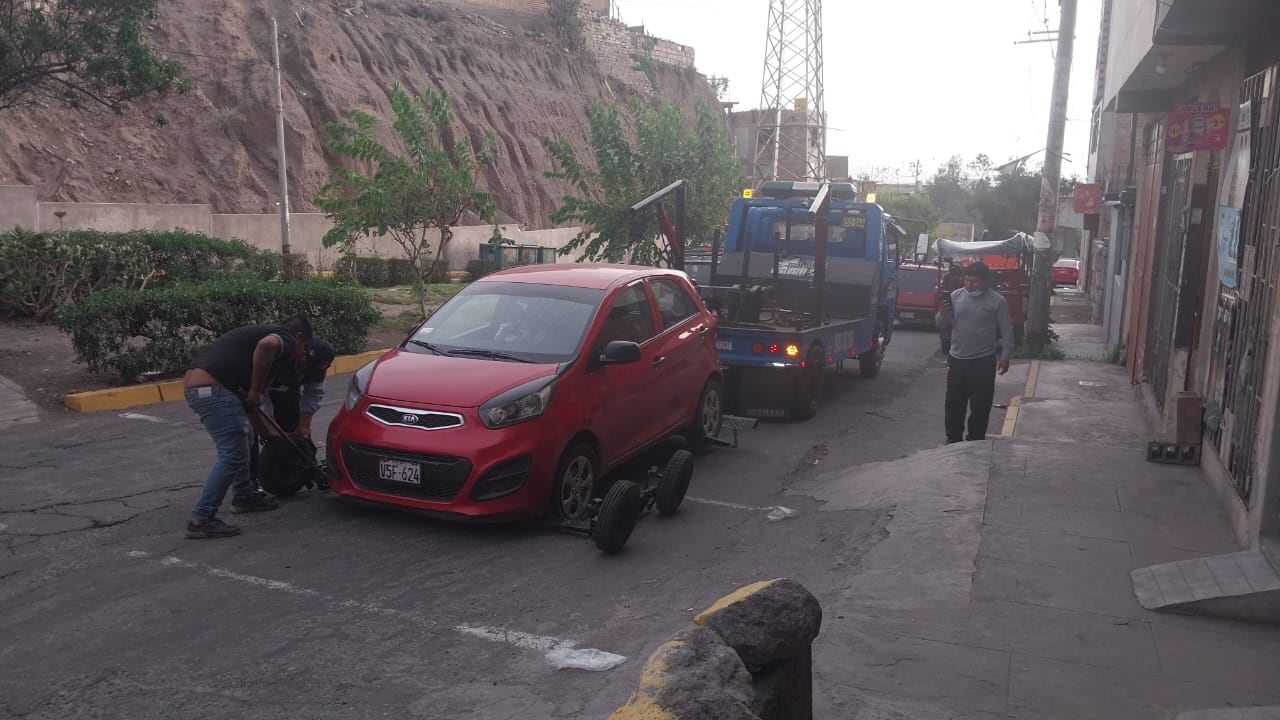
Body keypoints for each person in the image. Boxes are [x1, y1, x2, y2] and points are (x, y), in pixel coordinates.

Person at [182, 315, 314, 539]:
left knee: (247, 440)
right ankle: (201, 518)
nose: (301, 354)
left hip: (206, 388)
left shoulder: (248, 356)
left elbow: (251, 408)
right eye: (305, 348)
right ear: (299, 336)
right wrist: (256, 390)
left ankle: (244, 496)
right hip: (214, 390)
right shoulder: (284, 337)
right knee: (232, 454)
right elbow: (267, 346)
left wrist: (273, 439)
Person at [935, 262, 1013, 444]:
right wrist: (942, 313)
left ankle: (975, 440)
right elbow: (941, 324)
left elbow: (1007, 330)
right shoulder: (955, 296)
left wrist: (1005, 356)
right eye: (967, 280)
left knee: (981, 405)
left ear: (986, 282)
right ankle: (953, 438)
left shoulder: (997, 301)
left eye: (975, 282)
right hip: (957, 360)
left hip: (983, 361)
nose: (969, 285)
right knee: (954, 402)